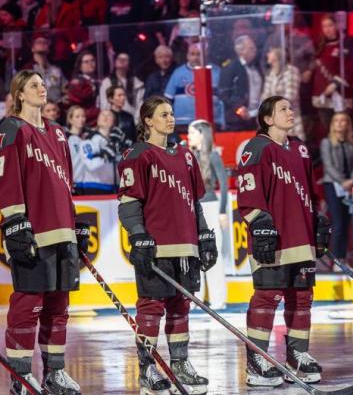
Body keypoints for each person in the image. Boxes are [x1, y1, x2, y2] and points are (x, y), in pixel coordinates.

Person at [0, 70, 83, 394]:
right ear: (19, 94)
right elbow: (5, 181)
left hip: (62, 232)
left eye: (43, 84)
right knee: (28, 305)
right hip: (35, 233)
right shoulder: (12, 130)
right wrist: (15, 222)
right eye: (34, 85)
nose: (42, 88)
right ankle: (20, 375)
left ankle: (54, 373)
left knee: (59, 308)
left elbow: (67, 182)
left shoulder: (58, 133)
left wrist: (75, 223)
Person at [118, 95, 215, 394]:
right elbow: (129, 204)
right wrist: (138, 235)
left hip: (185, 247)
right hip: (156, 247)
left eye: (172, 114)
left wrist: (204, 235)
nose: (171, 119)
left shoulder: (185, 156)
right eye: (163, 115)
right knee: (150, 309)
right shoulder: (136, 155)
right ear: (147, 120)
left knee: (180, 308)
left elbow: (194, 204)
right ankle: (147, 369)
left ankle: (180, 364)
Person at [237, 95, 329, 387]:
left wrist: (317, 219)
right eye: (283, 109)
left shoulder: (300, 148)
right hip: (272, 237)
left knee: (302, 298)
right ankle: (257, 359)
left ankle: (297, 354)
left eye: (291, 107)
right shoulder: (256, 148)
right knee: (268, 296)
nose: (291, 112)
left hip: (301, 236)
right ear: (267, 118)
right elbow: (247, 196)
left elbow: (309, 190)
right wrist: (259, 223)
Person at [187, 119, 229, 309]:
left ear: (202, 134)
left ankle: (218, 299)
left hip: (211, 207)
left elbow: (224, 184)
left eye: (192, 133)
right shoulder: (189, 156)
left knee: (213, 252)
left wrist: (222, 212)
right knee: (194, 254)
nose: (188, 136)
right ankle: (196, 299)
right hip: (193, 209)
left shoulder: (213, 156)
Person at [320, 113, 353, 269]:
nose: (339, 123)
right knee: (337, 222)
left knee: (346, 222)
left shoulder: (351, 144)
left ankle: (343, 259)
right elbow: (328, 166)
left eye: (343, 120)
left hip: (348, 188)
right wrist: (342, 181)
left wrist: (352, 181)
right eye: (336, 120)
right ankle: (336, 261)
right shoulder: (326, 142)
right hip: (333, 185)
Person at [261, 47, 304, 140]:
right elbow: (265, 97)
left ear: (277, 56)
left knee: (293, 151)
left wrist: (271, 104)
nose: (267, 55)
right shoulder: (270, 74)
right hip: (275, 123)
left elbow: (290, 96)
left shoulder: (291, 71)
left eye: (270, 52)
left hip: (291, 122)